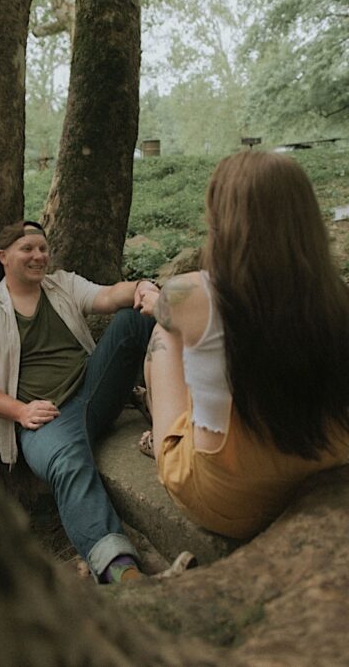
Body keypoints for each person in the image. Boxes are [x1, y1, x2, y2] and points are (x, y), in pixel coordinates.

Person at [136, 150, 349, 539]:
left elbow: (169, 312)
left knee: (165, 332)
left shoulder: (189, 292)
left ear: (222, 219)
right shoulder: (336, 297)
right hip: (321, 467)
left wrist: (161, 302)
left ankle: (164, 437)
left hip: (232, 501)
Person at [0, 220, 157, 583]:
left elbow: (109, 295)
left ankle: (169, 407)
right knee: (68, 466)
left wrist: (142, 287)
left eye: (43, 248)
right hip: (45, 418)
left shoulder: (63, 285)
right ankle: (121, 570)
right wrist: (20, 410)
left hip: (94, 389)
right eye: (27, 248)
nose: (39, 256)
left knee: (131, 320)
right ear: (4, 256)